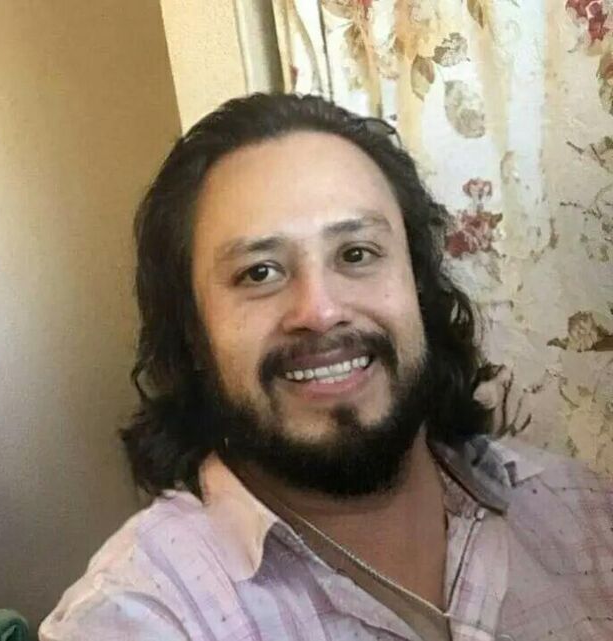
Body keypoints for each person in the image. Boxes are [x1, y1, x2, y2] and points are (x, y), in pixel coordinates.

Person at [40, 93, 613, 641]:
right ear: (192, 331)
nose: (319, 311)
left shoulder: (585, 512)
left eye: (356, 254)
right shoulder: (136, 617)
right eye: (260, 272)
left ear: (418, 286)